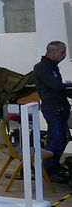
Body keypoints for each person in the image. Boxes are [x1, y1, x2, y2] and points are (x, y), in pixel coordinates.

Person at [32, 41, 72, 181]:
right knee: (56, 140)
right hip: (53, 109)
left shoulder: (53, 67)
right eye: (62, 52)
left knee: (62, 139)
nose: (64, 55)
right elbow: (55, 86)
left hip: (61, 108)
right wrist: (67, 86)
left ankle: (54, 166)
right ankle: (48, 170)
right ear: (52, 52)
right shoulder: (41, 68)